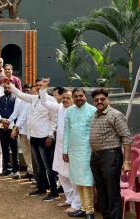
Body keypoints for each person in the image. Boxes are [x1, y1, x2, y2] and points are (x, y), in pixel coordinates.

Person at [7, 78, 58, 201]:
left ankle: (54, 191)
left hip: (45, 138)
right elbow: (20, 94)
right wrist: (9, 84)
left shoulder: (51, 100)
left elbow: (54, 119)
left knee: (48, 166)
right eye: (36, 85)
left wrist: (50, 135)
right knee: (39, 165)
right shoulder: (34, 99)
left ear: (45, 86)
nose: (38, 87)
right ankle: (42, 187)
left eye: (41, 85)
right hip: (33, 136)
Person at [39, 79, 81, 214]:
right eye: (63, 98)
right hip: (59, 148)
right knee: (61, 175)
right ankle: (69, 199)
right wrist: (43, 88)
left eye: (68, 98)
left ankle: (77, 204)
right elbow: (45, 102)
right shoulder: (60, 108)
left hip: (72, 150)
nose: (65, 100)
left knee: (72, 177)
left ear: (73, 99)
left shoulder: (76, 111)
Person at [90, 89, 131, 219]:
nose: (99, 101)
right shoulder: (95, 114)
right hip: (96, 157)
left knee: (112, 192)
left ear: (108, 100)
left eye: (102, 99)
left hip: (110, 156)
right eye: (96, 100)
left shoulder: (115, 115)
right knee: (101, 191)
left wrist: (127, 161)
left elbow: (126, 137)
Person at [62, 88, 97, 219]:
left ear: (85, 96)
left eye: (80, 96)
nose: (78, 98)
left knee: (86, 181)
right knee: (78, 181)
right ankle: (82, 208)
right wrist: (65, 151)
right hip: (73, 152)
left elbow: (95, 133)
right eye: (75, 96)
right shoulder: (70, 111)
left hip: (87, 151)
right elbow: (66, 132)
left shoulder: (92, 110)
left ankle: (89, 211)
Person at [11, 84, 33, 180]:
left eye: (28, 90)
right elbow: (16, 113)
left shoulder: (32, 101)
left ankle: (35, 172)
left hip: (32, 131)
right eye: (25, 90)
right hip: (21, 129)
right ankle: (30, 170)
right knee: (26, 151)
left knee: (33, 152)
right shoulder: (19, 100)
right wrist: (11, 124)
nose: (27, 92)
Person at [0, 83, 19, 178]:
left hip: (12, 125)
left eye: (8, 88)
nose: (7, 89)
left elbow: (16, 111)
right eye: (5, 88)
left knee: (14, 148)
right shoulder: (0, 99)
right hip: (2, 124)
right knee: (4, 148)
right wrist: (1, 119)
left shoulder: (16, 98)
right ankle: (7, 169)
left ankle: (16, 169)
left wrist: (9, 121)